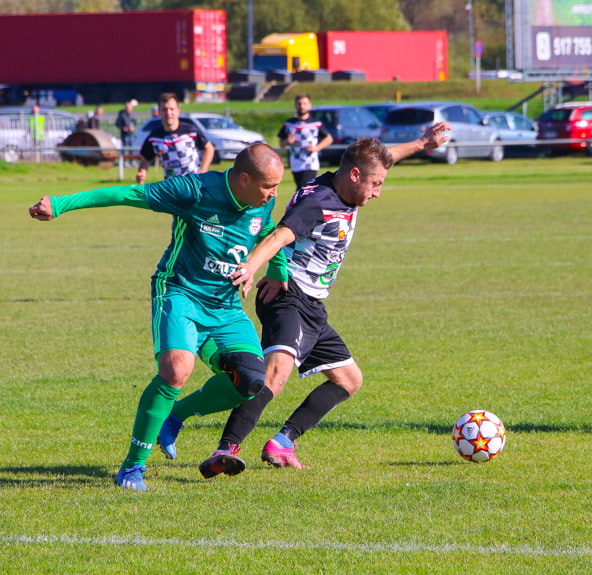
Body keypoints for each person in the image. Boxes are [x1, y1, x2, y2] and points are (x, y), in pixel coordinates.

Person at [157, 122, 451, 477]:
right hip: (287, 295)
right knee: (276, 373)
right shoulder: (319, 201)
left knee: (348, 380)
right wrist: (252, 265)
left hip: (312, 305)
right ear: (354, 175)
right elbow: (280, 234)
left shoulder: (346, 183)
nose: (377, 193)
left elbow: (381, 161)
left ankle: (282, 442)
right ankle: (226, 449)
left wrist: (422, 143)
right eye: (375, 185)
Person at [29, 143, 286, 491]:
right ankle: (133, 467)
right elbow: (128, 193)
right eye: (269, 186)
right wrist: (60, 205)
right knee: (176, 371)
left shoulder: (262, 201)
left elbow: (268, 231)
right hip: (180, 292)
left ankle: (174, 417)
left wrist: (277, 270)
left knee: (251, 381)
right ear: (244, 179)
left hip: (224, 307)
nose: (274, 194)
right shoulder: (194, 190)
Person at [136, 92, 214, 184]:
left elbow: (209, 148)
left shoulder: (191, 131)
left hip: (194, 185)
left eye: (171, 109)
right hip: (171, 188)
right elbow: (145, 160)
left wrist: (204, 170)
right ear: (159, 112)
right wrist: (142, 173)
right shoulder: (154, 137)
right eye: (164, 109)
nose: (168, 113)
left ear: (178, 111)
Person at [278, 93, 333, 190]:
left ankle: (301, 205)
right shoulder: (289, 123)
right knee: (300, 189)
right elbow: (281, 144)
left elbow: (329, 139)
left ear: (309, 105)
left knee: (304, 189)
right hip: (295, 163)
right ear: (295, 105)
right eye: (299, 104)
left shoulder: (315, 123)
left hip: (310, 163)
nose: (302, 106)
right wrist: (287, 141)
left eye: (304, 103)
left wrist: (316, 148)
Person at [115, 99, 138, 167]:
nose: (129, 109)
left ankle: (132, 161)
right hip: (124, 135)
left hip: (131, 134)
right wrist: (123, 128)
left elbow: (134, 122)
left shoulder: (131, 115)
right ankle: (124, 162)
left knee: (132, 150)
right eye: (127, 108)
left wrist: (133, 126)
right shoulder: (122, 115)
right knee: (124, 150)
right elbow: (117, 123)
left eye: (130, 108)